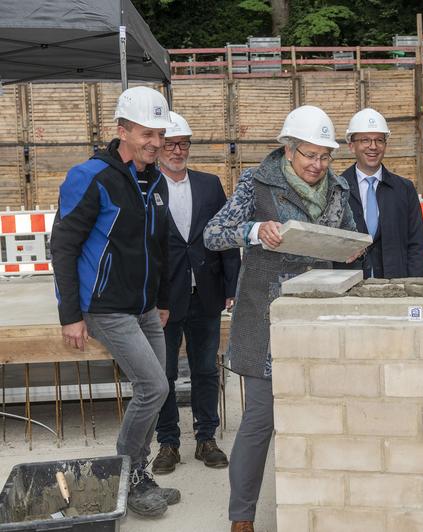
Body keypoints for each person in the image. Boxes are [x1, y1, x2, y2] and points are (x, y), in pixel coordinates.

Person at [203, 105, 358, 532]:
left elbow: (348, 235)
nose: (318, 165)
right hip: (265, 321)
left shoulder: (339, 188)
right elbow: (214, 234)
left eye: (325, 156)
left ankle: (317, 506)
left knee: (319, 417)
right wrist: (255, 231)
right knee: (260, 420)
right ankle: (242, 516)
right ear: (288, 150)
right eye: (310, 155)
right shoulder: (257, 183)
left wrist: (351, 248)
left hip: (317, 319)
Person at [51, 86, 180, 517]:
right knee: (154, 386)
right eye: (147, 133)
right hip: (104, 306)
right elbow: (64, 245)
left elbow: (158, 245)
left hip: (143, 307)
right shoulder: (91, 177)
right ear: (122, 129)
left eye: (160, 134)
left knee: (156, 388)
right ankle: (130, 471)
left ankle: (136, 472)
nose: (157, 143)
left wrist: (160, 300)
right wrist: (70, 314)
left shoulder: (154, 179)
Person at [152, 111, 241, 475]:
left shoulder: (209, 185)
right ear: (158, 147)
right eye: (171, 144)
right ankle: (168, 443)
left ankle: (207, 437)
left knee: (206, 369)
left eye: (183, 144)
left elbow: (226, 238)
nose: (177, 150)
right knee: (164, 374)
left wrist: (231, 285)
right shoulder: (145, 187)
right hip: (163, 301)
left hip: (205, 294)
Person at [340, 108, 423, 278]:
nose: (373, 146)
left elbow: (416, 246)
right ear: (351, 146)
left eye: (379, 140)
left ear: (385, 145)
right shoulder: (338, 189)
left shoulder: (404, 189)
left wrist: (416, 287)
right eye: (365, 140)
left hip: (395, 287)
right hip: (349, 286)